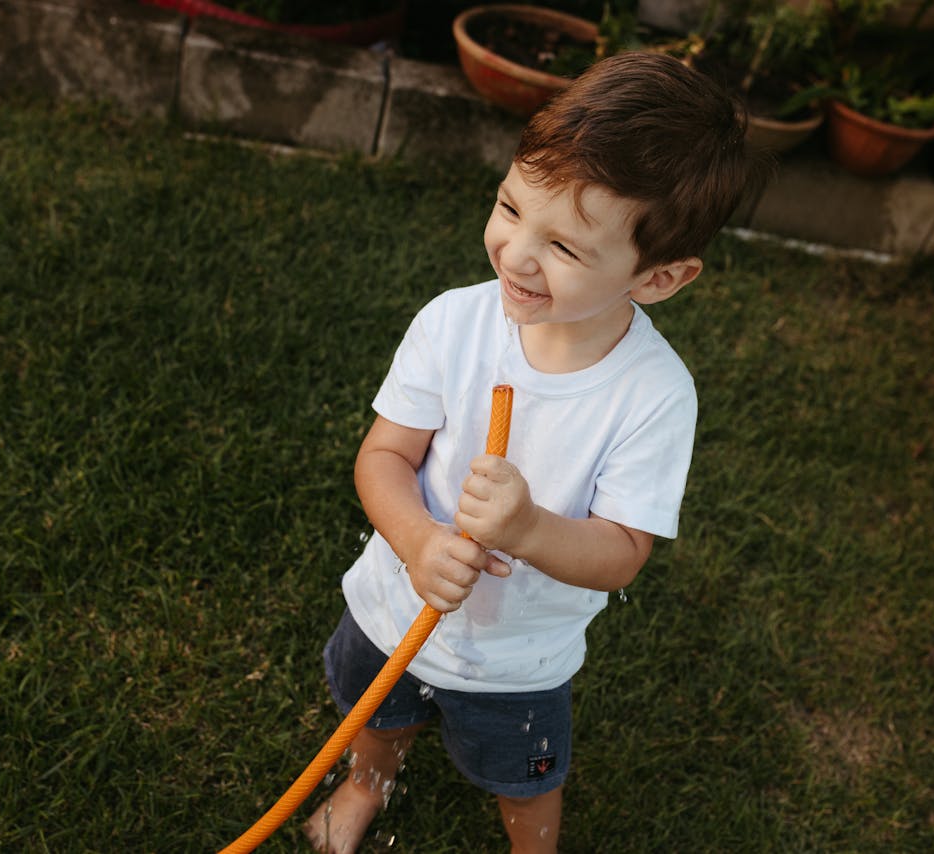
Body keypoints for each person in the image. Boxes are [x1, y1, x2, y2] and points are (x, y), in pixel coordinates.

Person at [304, 51, 765, 853]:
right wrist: (415, 543)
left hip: (519, 659)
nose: (516, 253)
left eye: (566, 248)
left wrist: (526, 529)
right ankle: (365, 785)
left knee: (524, 773)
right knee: (376, 716)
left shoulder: (653, 395)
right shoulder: (453, 323)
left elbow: (621, 552)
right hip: (395, 606)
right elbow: (383, 457)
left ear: (658, 278)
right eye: (510, 207)